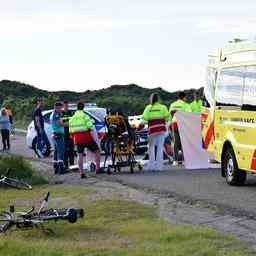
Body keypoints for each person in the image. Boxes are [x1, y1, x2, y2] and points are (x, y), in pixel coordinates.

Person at [69, 102, 101, 179]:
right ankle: (98, 169)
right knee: (97, 150)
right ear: (83, 108)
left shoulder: (72, 118)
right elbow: (90, 126)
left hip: (77, 138)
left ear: (77, 108)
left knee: (80, 155)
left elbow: (70, 131)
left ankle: (81, 173)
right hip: (86, 137)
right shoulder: (85, 116)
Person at [142, 93, 170, 171]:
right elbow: (168, 118)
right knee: (160, 148)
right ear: (158, 99)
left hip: (152, 130)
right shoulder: (163, 107)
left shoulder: (148, 108)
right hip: (161, 129)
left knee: (151, 148)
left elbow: (144, 119)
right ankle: (159, 167)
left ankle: (151, 166)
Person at [169, 91, 191, 165]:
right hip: (183, 125)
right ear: (184, 98)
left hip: (174, 124)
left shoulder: (172, 104)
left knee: (175, 142)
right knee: (184, 142)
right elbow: (189, 115)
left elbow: (170, 116)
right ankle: (185, 160)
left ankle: (175, 161)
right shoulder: (186, 105)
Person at [50, 102, 67, 175]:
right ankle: (61, 169)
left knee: (56, 152)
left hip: (55, 134)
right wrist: (69, 124)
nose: (61, 109)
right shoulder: (56, 114)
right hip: (58, 135)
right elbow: (59, 124)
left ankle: (56, 168)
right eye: (60, 108)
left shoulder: (53, 114)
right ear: (57, 107)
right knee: (61, 152)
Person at [62, 100, 75, 169]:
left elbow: (73, 122)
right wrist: (67, 124)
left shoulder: (71, 113)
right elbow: (61, 124)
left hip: (70, 133)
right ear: (63, 106)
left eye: (67, 105)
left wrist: (67, 124)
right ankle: (66, 164)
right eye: (65, 106)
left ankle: (72, 164)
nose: (66, 107)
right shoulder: (61, 113)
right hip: (64, 134)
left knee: (71, 149)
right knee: (65, 150)